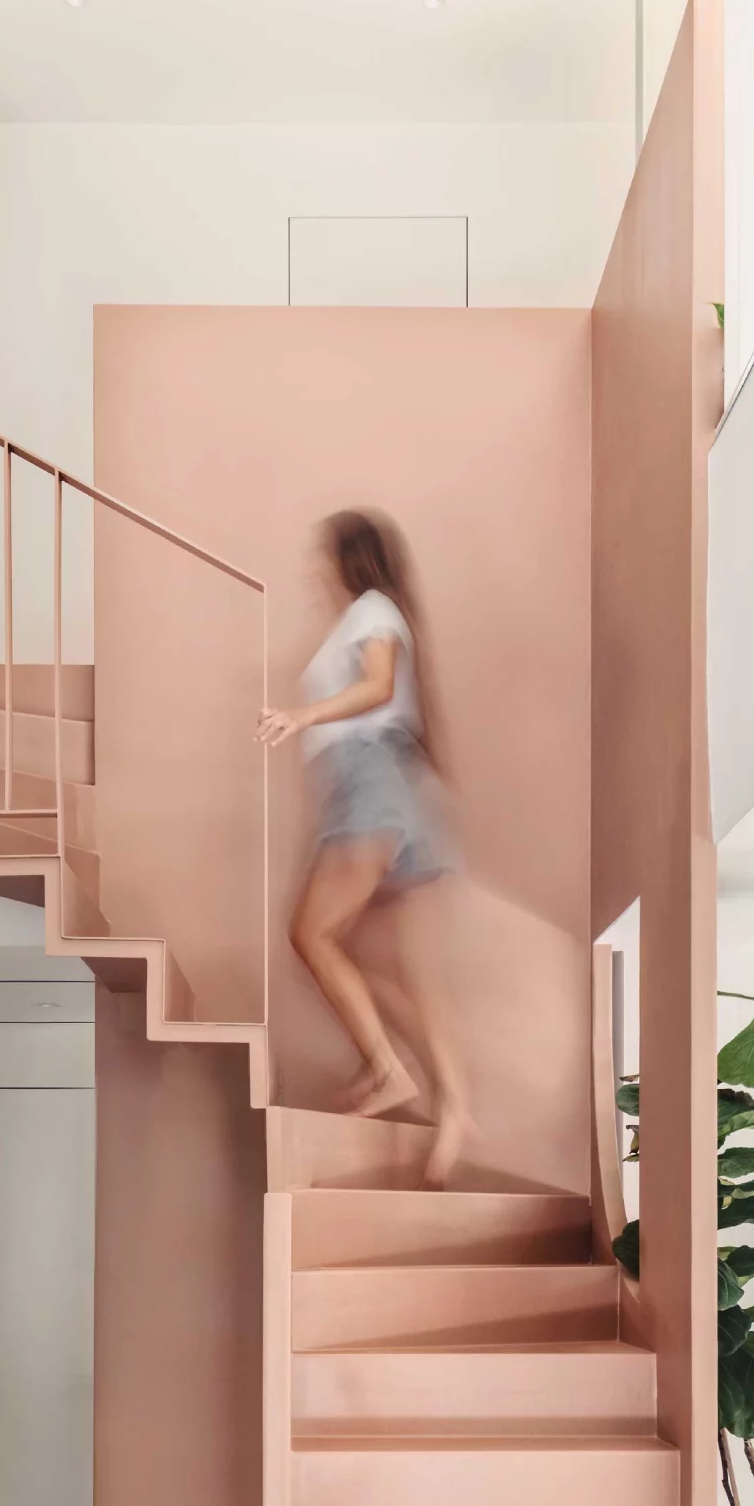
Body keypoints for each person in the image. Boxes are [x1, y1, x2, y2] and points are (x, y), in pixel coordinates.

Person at [258, 508, 468, 1186]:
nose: (312, 570)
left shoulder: (373, 610)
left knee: (311, 934)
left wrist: (301, 717)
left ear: (349, 557)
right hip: (371, 788)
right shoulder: (363, 616)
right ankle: (453, 1104)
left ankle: (388, 1070)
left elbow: (377, 687)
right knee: (392, 967)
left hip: (368, 784)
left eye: (321, 556)